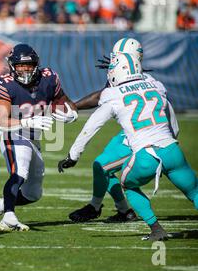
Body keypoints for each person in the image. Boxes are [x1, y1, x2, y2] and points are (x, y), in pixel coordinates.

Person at [58, 52, 198, 241]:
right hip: (171, 148)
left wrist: (73, 155)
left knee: (128, 184)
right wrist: (170, 140)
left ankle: (156, 229)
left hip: (146, 153)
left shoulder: (113, 94)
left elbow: (92, 125)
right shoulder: (155, 84)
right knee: (194, 191)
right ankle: (114, 209)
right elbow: (171, 118)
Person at [66, 38, 179, 223]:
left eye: (117, 58)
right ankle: (123, 211)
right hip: (132, 133)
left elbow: (100, 102)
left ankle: (98, 207)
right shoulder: (148, 81)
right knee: (100, 165)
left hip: (146, 138)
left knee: (103, 167)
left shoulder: (145, 81)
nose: (113, 62)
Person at [0, 43, 78, 231]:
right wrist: (26, 123)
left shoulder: (49, 77)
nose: (25, 70)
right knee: (19, 172)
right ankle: (9, 216)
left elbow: (64, 103)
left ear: (36, 65)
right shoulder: (5, 83)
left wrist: (71, 114)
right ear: (12, 66)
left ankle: (1, 205)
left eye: (28, 65)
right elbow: (1, 121)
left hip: (34, 138)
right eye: (20, 66)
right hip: (15, 133)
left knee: (33, 193)